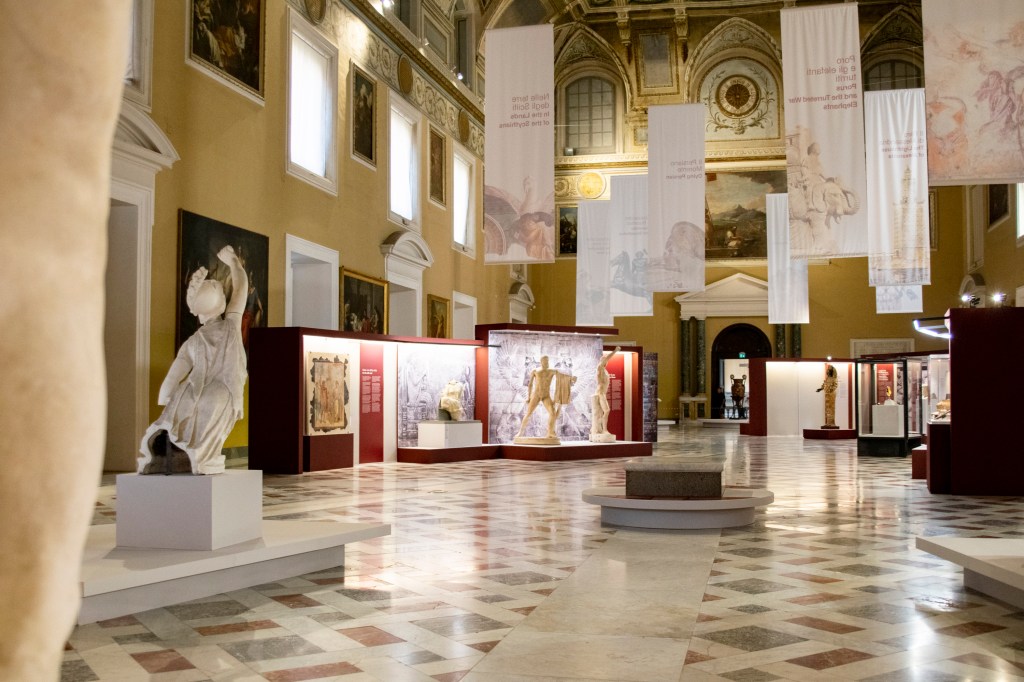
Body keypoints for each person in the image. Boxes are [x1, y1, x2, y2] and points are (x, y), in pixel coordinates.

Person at [138, 245, 248, 475]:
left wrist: (166, 394)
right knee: (197, 400)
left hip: (208, 388)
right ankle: (194, 455)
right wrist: (233, 262)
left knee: (198, 400)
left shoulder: (210, 334)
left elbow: (174, 374)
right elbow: (240, 290)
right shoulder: (219, 330)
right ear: (221, 303)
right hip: (213, 388)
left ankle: (190, 454)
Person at [516, 356, 577, 440]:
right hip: (536, 395)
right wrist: (529, 397)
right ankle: (520, 432)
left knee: (552, 413)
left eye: (548, 361)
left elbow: (563, 377)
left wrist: (571, 379)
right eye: (545, 361)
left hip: (546, 396)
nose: (547, 363)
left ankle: (550, 433)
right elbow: (530, 385)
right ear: (541, 362)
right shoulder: (535, 371)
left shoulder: (551, 371)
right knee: (528, 413)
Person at [591, 347, 620, 440]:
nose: (606, 361)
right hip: (600, 393)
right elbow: (607, 358)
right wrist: (615, 351)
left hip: (603, 393)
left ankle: (601, 428)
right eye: (604, 359)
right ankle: (604, 429)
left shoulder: (604, 370)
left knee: (604, 411)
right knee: (607, 410)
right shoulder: (599, 368)